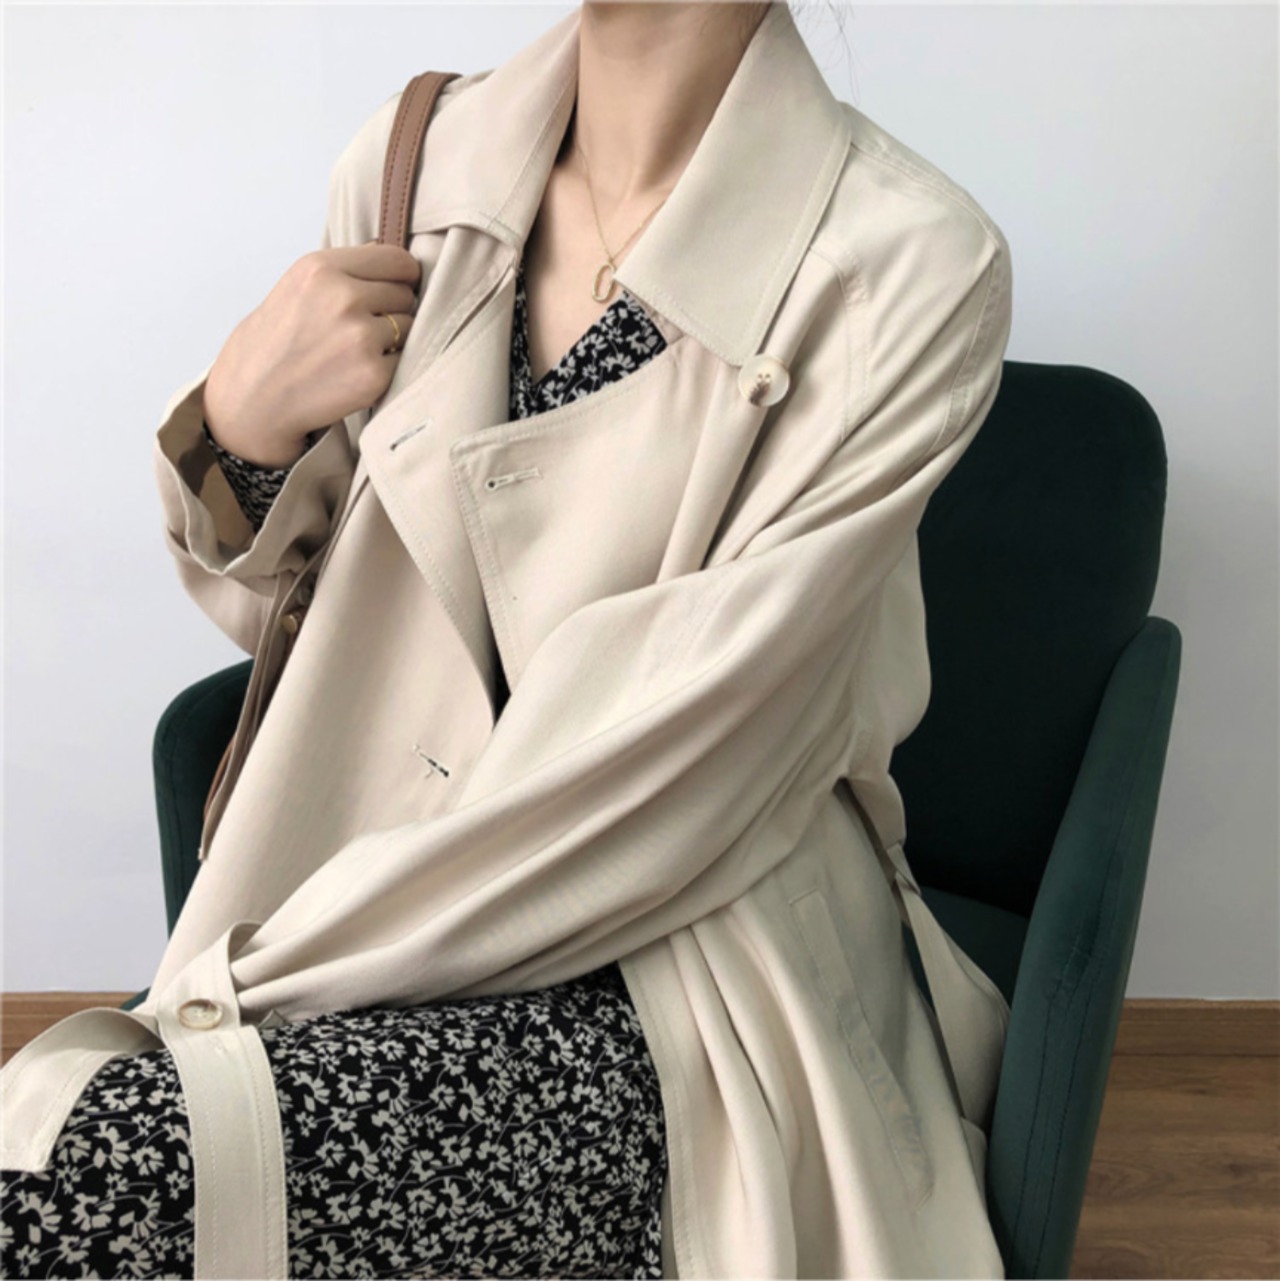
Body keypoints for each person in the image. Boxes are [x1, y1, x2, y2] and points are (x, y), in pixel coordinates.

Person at [2, 2, 1015, 1277]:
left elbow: (677, 768)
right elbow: (314, 634)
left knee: (78, 1178)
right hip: (364, 878)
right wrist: (237, 431)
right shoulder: (413, 164)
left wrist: (253, 993)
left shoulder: (906, 262)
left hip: (678, 962)